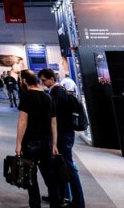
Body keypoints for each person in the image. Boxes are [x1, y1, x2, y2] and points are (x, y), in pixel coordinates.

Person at [15, 69, 60, 208]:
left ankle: (35, 205)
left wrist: (18, 143)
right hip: (47, 141)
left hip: (31, 142)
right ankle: (56, 204)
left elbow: (23, 121)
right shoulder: (48, 97)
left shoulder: (27, 96)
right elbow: (54, 122)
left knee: (31, 176)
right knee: (50, 176)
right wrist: (54, 144)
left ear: (24, 81)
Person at [40, 69, 84, 208]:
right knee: (61, 165)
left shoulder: (57, 92)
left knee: (68, 167)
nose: (43, 83)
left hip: (63, 134)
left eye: (44, 80)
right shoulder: (58, 91)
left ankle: (78, 201)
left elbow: (55, 116)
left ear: (52, 79)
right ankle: (63, 196)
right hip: (63, 133)